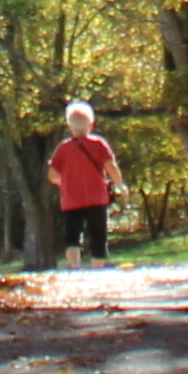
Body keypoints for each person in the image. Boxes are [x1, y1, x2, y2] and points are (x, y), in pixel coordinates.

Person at [47, 101, 123, 266]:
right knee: (98, 235)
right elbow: (111, 167)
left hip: (71, 200)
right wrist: (120, 185)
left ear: (69, 127)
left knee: (72, 235)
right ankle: (97, 268)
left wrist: (64, 183)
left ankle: (75, 266)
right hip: (97, 198)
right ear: (92, 124)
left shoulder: (63, 148)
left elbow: (52, 175)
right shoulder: (99, 145)